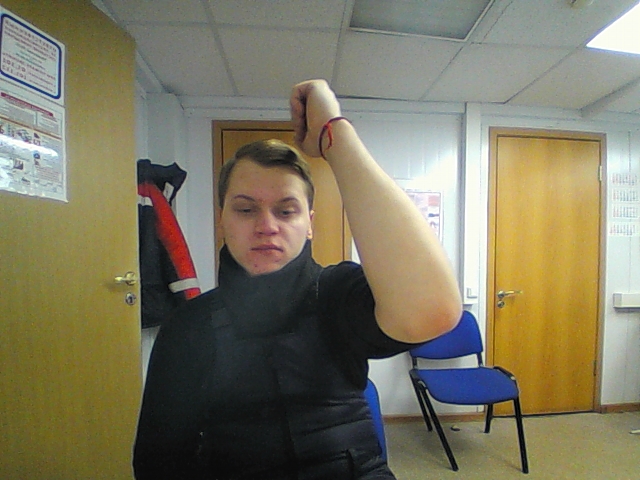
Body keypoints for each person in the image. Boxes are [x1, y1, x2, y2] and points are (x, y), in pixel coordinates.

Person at [132, 79, 462, 479]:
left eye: (286, 211)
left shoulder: (337, 294)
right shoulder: (188, 325)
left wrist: (335, 134)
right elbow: (158, 462)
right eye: (245, 210)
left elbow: (433, 311)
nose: (266, 226)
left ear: (309, 225)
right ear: (222, 221)